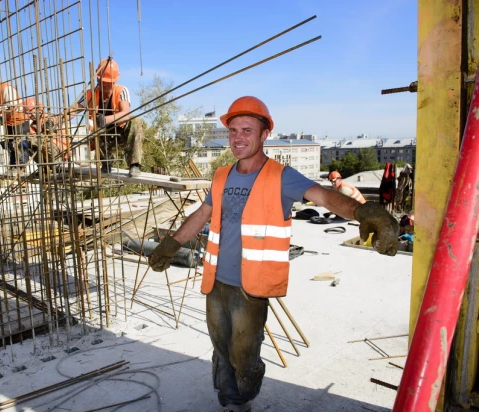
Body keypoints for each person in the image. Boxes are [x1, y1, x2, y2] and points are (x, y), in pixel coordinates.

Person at [148, 96, 399, 412]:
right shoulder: (222, 175)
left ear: (264, 134)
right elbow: (202, 213)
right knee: (220, 349)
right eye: (234, 130)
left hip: (250, 287)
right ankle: (231, 403)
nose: (239, 138)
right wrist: (171, 244)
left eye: (247, 130)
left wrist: (363, 212)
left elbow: (323, 196)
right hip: (215, 282)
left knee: (243, 353)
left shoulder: (281, 176)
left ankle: (246, 389)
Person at [64, 57, 144, 177]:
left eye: (109, 83)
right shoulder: (90, 94)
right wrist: (57, 118)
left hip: (121, 136)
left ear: (115, 80)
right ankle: (106, 162)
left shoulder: (122, 91)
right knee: (95, 125)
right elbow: (73, 110)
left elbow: (126, 114)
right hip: (103, 140)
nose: (106, 86)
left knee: (136, 121)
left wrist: (105, 120)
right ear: (97, 78)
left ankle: (134, 164)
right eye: (104, 83)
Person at [0, 68, 30, 170]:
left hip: (19, 120)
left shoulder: (7, 89)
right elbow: (1, 109)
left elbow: (12, 107)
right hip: (9, 122)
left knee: (20, 144)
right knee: (10, 145)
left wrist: (2, 117)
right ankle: (13, 166)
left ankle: (22, 167)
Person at [22, 98, 71, 167]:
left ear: (39, 109)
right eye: (28, 113)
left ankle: (57, 164)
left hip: (60, 151)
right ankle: (44, 166)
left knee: (42, 141)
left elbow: (57, 119)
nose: (30, 115)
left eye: (31, 112)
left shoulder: (49, 118)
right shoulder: (32, 125)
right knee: (28, 145)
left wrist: (50, 123)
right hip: (48, 153)